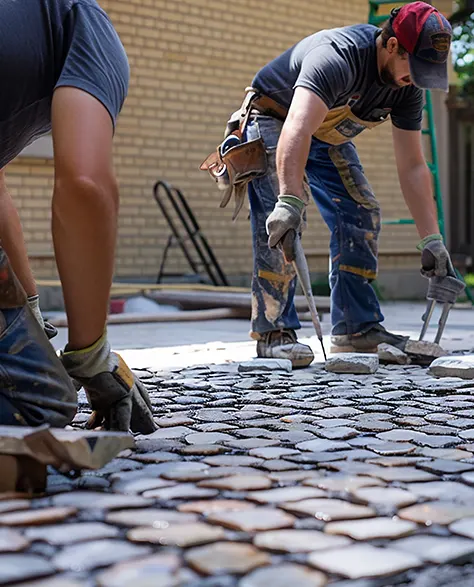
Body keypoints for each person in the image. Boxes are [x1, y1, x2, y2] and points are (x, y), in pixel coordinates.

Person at [223, 1, 454, 368]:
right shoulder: (338, 58)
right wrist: (289, 201)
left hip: (323, 132)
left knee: (360, 208)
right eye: (417, 66)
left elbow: (412, 165)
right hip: (277, 120)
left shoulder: (408, 86)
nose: (420, 78)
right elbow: (296, 130)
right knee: (282, 220)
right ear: (392, 46)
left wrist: (432, 239)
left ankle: (355, 327)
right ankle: (275, 332)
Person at [0, 0, 156, 434]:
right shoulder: (85, 22)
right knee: (37, 400)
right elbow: (85, 183)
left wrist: (27, 314)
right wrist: (90, 353)